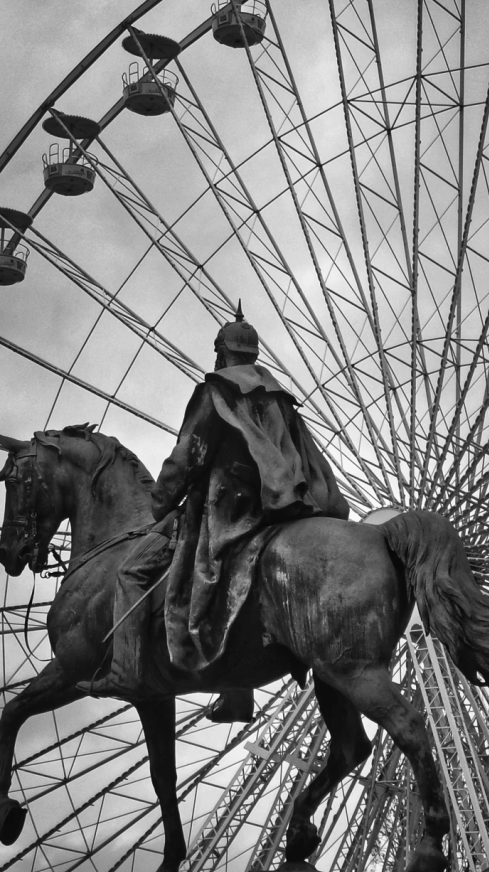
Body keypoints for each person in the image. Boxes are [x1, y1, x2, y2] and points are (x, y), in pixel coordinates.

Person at [90, 305, 349, 721]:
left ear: (221, 353)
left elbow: (188, 456)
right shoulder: (280, 396)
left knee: (134, 572)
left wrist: (161, 503)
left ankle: (124, 669)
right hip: (285, 505)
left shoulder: (218, 391)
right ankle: (237, 691)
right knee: (232, 579)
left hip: (228, 508)